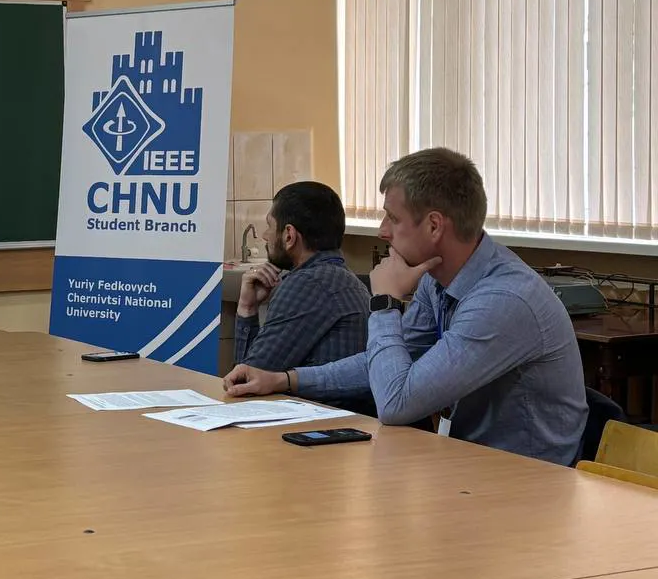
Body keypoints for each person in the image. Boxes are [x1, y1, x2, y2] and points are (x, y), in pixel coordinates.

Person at [224, 148, 588, 466]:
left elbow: (397, 402)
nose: (382, 231)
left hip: (528, 484)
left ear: (434, 226)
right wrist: (285, 379)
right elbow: (387, 361)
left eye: (393, 219)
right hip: (468, 467)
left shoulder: (502, 301)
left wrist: (384, 303)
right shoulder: (436, 279)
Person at [225, 182, 371, 412]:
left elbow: (246, 380)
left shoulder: (308, 284)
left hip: (319, 424)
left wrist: (244, 309)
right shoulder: (343, 278)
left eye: (269, 226)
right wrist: (250, 306)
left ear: (289, 235)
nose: (264, 235)